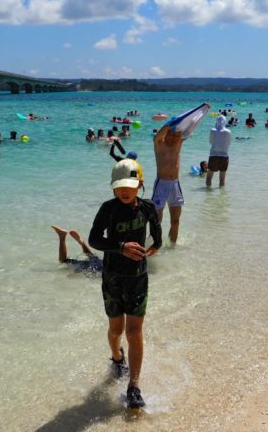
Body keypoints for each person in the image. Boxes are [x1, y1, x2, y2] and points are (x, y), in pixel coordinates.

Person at [87, 159, 162, 409]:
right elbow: (94, 240)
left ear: (140, 184)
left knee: (134, 331)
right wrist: (120, 247)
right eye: (120, 186)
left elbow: (158, 236)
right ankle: (117, 357)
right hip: (112, 277)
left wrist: (153, 249)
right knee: (116, 330)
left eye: (130, 185)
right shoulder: (107, 209)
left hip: (138, 278)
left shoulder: (148, 207)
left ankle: (134, 386)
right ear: (113, 187)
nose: (125, 191)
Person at [206, 115, 232, 188]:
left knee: (209, 177)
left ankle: (208, 195)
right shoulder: (228, 131)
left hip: (213, 155)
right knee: (222, 179)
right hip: (224, 156)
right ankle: (221, 197)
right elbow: (229, 143)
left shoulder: (212, 130)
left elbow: (210, 142)